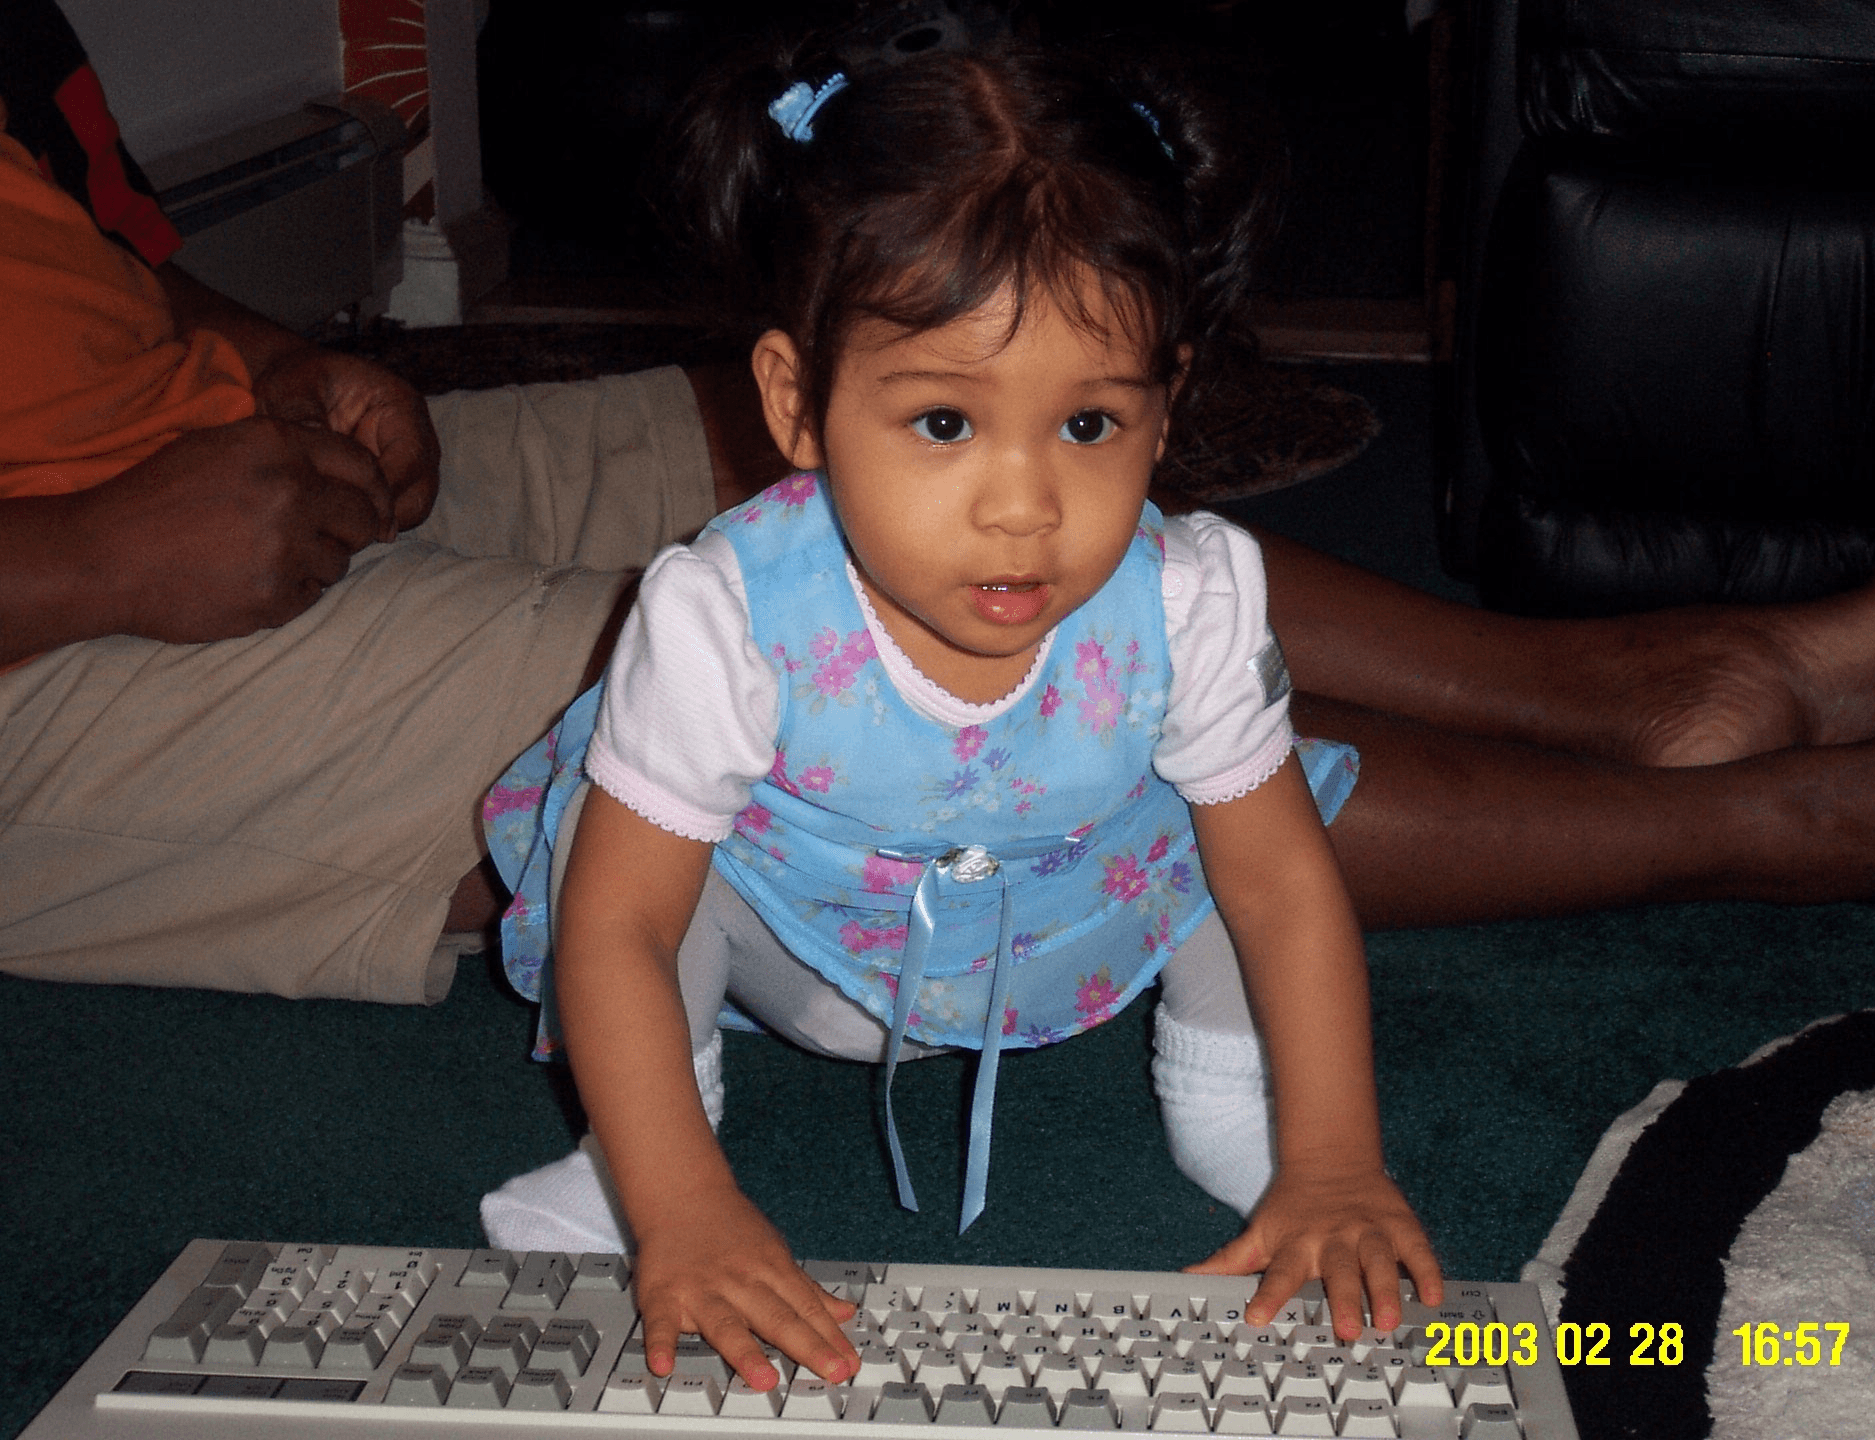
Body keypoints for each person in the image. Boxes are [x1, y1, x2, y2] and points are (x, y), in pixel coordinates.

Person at [477, 35, 1447, 1393]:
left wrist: (1339, 1158)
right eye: (942, 423)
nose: (1022, 508)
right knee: (616, 850)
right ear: (797, 406)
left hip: (1051, 922)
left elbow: (1281, 884)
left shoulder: (1191, 596)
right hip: (792, 939)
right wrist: (683, 1213)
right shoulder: (724, 615)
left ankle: (1229, 1106)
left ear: (1163, 411)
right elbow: (624, 927)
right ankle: (645, 1157)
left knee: (1245, 822)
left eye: (1089, 425)